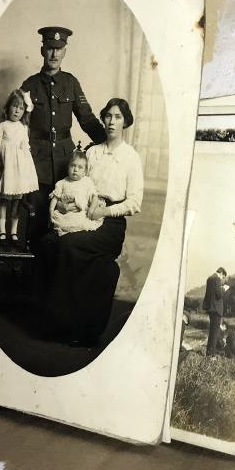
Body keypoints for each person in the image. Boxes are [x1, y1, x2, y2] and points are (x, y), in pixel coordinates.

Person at [34, 98, 143, 347]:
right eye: (107, 116)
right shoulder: (92, 152)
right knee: (50, 243)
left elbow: (135, 203)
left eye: (117, 117)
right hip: (80, 214)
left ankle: (80, 329)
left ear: (125, 121)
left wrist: (105, 211)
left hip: (111, 224)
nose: (111, 121)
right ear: (102, 119)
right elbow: (74, 183)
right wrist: (62, 203)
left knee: (69, 245)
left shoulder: (130, 158)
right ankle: (58, 324)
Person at [20, 27, 106, 244]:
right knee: (38, 220)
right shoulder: (29, 85)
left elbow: (86, 118)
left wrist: (107, 142)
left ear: (65, 51)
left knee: (68, 223)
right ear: (42, 50)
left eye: (59, 49)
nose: (54, 54)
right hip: (36, 161)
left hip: (65, 164)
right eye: (50, 48)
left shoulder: (71, 83)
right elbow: (19, 124)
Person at [0, 90, 38, 244]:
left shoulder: (23, 128)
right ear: (8, 107)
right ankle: (2, 231)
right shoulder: (2, 126)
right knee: (4, 200)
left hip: (19, 171)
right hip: (7, 170)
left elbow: (25, 150)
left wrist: (27, 173)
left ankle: (13, 232)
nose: (17, 110)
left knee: (17, 201)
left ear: (24, 111)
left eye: (21, 108)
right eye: (14, 106)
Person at [48, 150, 102, 236]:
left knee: (83, 223)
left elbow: (95, 197)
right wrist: (51, 211)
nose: (75, 169)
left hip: (81, 213)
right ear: (68, 167)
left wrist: (91, 209)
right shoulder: (62, 183)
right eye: (72, 165)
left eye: (80, 167)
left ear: (85, 171)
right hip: (66, 214)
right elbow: (55, 199)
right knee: (63, 224)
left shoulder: (87, 181)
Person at [202, 267, 229, 357]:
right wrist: (224, 288)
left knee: (211, 331)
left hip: (210, 308)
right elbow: (219, 294)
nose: (223, 280)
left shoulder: (209, 279)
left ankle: (209, 353)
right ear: (221, 273)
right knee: (215, 333)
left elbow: (212, 294)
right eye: (223, 277)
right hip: (217, 309)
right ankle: (211, 355)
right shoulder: (217, 279)